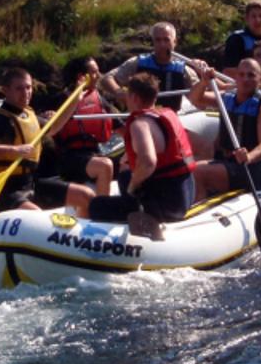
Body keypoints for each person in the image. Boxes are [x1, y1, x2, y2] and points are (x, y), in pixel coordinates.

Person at [78, 73, 196, 240]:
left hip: (168, 205)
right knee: (125, 175)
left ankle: (87, 240)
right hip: (186, 194)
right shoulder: (165, 114)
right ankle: (134, 210)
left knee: (97, 204)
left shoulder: (140, 124)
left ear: (133, 96)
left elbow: (148, 162)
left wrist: (134, 185)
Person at [0, 67, 91, 216]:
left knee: (86, 196)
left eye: (28, 87)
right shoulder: (0, 119)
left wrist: (75, 100)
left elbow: (54, 128)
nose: (26, 93)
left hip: (31, 183)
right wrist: (16, 151)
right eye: (19, 89)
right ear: (5, 90)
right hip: (6, 191)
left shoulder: (28, 114)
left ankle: (83, 234)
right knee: (40, 218)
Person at [190, 58, 261, 201]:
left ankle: (198, 208)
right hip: (228, 161)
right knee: (187, 166)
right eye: (241, 75)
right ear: (236, 78)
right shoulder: (226, 98)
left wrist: (249, 156)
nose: (245, 79)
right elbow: (195, 99)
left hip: (251, 168)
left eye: (251, 75)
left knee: (197, 171)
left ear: (260, 79)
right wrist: (204, 82)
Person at [99, 22, 207, 111]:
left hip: (170, 119)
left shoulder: (184, 70)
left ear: (175, 42)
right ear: (153, 42)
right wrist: (119, 92)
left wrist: (204, 79)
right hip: (141, 116)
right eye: (158, 40)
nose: (162, 45)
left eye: (166, 40)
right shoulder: (138, 62)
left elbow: (200, 101)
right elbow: (107, 78)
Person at [51, 57, 117, 196]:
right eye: (94, 72)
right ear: (82, 77)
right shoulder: (61, 99)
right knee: (105, 166)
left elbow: (122, 128)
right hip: (69, 157)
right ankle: (101, 209)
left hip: (92, 153)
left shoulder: (100, 98)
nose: (98, 76)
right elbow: (50, 128)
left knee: (124, 163)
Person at [222, 0, 261, 70]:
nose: (257, 20)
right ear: (247, 19)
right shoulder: (236, 39)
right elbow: (229, 71)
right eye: (253, 16)